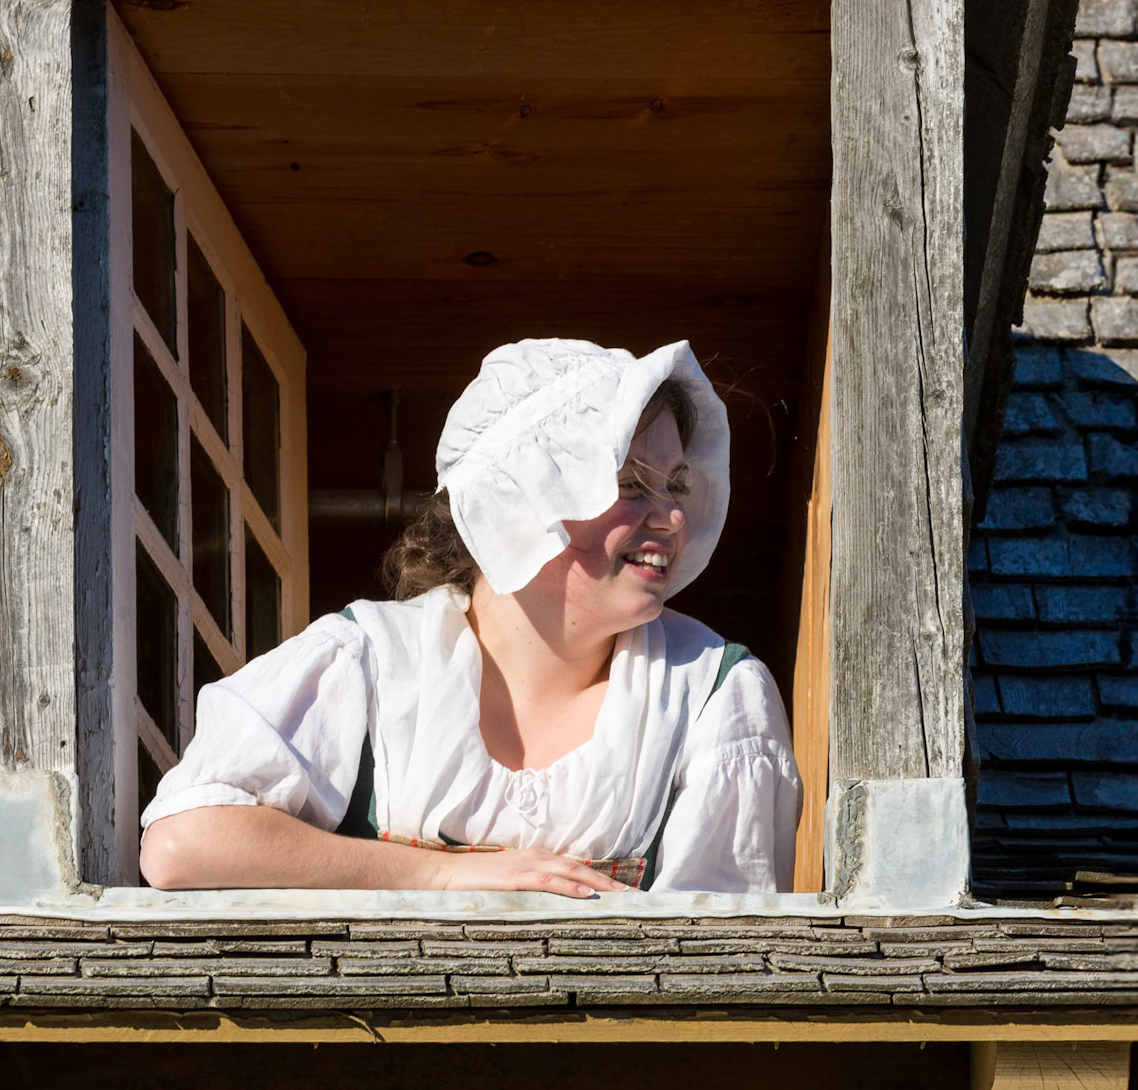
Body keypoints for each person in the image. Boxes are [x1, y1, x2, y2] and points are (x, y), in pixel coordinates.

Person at [140, 338, 802, 897]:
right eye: (629, 484)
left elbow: (715, 945)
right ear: (518, 500)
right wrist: (437, 876)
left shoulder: (710, 696)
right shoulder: (369, 662)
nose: (671, 517)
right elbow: (184, 843)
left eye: (676, 485)